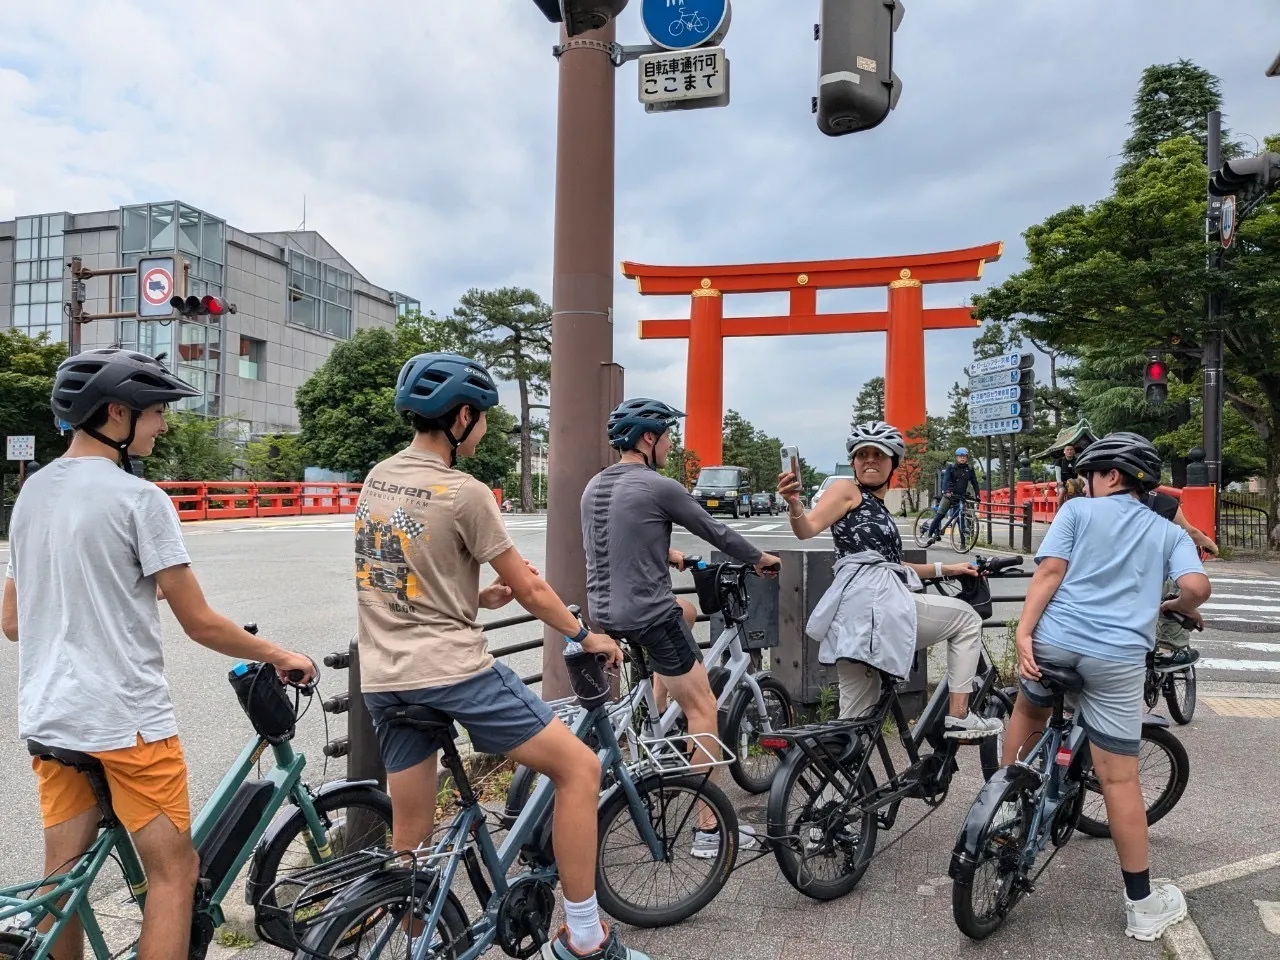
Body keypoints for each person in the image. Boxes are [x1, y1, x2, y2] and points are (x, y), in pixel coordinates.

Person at [1, 349, 316, 960]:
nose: (162, 425)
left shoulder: (32, 493)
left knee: (61, 879)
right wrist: (280, 652)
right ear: (115, 413)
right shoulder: (139, 500)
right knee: (174, 873)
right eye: (154, 413)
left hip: (49, 717)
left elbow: (12, 623)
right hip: (127, 723)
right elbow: (198, 622)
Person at [356, 353, 648, 960]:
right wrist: (584, 634)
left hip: (385, 677)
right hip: (453, 674)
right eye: (483, 416)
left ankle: (418, 949)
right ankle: (586, 937)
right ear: (462, 418)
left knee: (409, 841)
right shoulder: (463, 492)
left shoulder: (378, 477)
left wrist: (475, 595)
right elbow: (535, 589)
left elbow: (398, 572)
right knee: (579, 769)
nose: (485, 427)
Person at [1003, 432, 1210, 942]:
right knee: (1119, 781)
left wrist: (1025, 632)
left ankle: (1009, 803)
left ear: (1110, 476)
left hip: (1054, 642)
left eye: (1089, 474)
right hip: (1115, 659)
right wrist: (1177, 607)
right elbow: (1197, 588)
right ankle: (1142, 907)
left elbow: (1050, 571)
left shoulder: (1076, 512)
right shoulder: (1167, 532)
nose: (1085, 483)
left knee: (1029, 712)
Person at [581, 398, 780, 857]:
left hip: (604, 615)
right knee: (705, 707)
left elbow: (609, 540)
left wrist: (664, 553)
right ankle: (708, 830)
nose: (672, 443)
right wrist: (760, 558)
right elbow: (717, 533)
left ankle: (655, 713)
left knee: (686, 614)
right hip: (647, 616)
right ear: (648, 440)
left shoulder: (595, 485)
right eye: (668, 435)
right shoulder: (659, 485)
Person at [777, 421, 1003, 737]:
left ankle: (835, 784)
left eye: (879, 455)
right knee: (966, 620)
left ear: (892, 463)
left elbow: (893, 564)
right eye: (862, 454)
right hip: (875, 604)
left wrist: (949, 568)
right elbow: (807, 529)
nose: (870, 460)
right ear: (853, 463)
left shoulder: (879, 508)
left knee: (853, 728)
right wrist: (794, 504)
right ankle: (960, 715)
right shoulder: (846, 490)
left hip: (857, 618)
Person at [925, 447, 982, 544]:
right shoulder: (951, 467)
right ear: (957, 457)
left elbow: (975, 483)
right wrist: (946, 491)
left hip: (960, 496)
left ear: (966, 457)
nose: (962, 458)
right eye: (960, 456)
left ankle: (963, 543)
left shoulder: (970, 469)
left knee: (960, 519)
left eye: (964, 456)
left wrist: (977, 495)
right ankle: (929, 535)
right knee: (940, 515)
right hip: (949, 495)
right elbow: (946, 480)